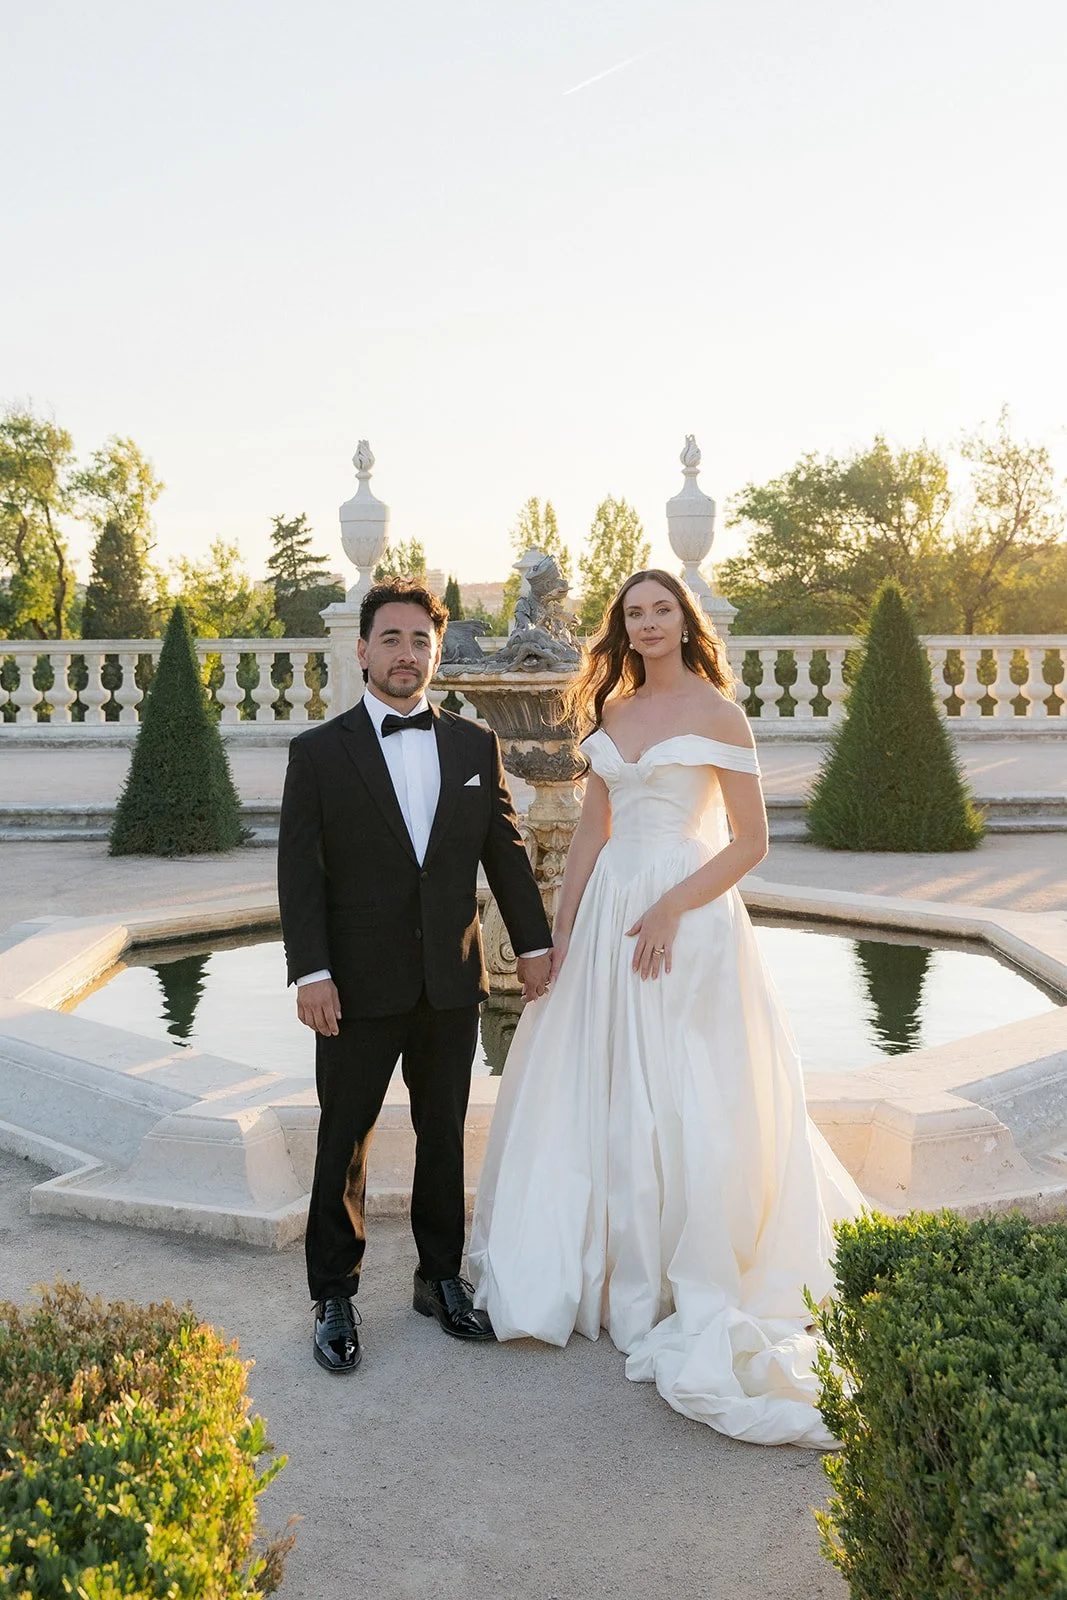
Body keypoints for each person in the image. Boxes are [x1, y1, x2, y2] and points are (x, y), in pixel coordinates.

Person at [469, 570, 864, 1446]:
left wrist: (672, 908)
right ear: (621, 627)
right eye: (634, 613)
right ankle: (611, 1272)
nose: (647, 624)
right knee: (605, 1084)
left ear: (686, 622)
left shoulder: (722, 715)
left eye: (662, 610)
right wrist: (561, 937)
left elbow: (751, 842)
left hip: (686, 919)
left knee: (688, 1088)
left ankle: (687, 1269)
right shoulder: (609, 715)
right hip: (612, 910)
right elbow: (588, 841)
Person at [278, 579, 552, 1374]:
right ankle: (333, 1293)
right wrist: (312, 973)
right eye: (391, 639)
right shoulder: (318, 753)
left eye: (420, 641)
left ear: (436, 653)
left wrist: (532, 946)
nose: (406, 654)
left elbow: (503, 850)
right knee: (345, 1138)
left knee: (444, 1140)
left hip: (449, 981)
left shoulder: (475, 745)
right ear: (362, 650)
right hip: (354, 987)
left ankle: (439, 1279)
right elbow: (301, 876)